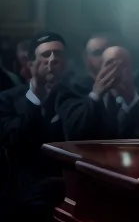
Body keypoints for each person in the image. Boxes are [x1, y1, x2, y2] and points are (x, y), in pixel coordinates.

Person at [0, 33, 95, 220]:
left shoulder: (80, 99)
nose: (52, 59)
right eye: (46, 55)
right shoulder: (7, 100)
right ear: (30, 64)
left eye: (58, 54)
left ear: (65, 62)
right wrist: (35, 94)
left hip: (71, 192)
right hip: (24, 195)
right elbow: (15, 139)